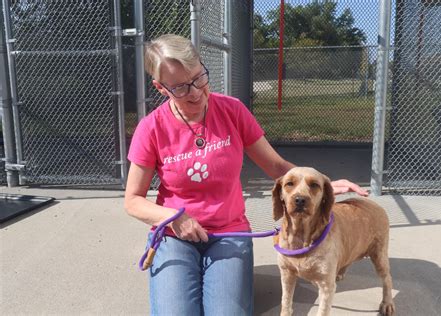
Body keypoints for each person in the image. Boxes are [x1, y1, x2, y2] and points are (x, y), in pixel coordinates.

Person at [124, 34, 368, 315]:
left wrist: (320, 183)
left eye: (199, 77)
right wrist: (173, 217)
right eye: (180, 87)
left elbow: (276, 167)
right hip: (175, 234)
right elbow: (133, 200)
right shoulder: (151, 128)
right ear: (160, 87)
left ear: (202, 66)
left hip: (229, 231)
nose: (194, 92)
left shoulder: (232, 111)